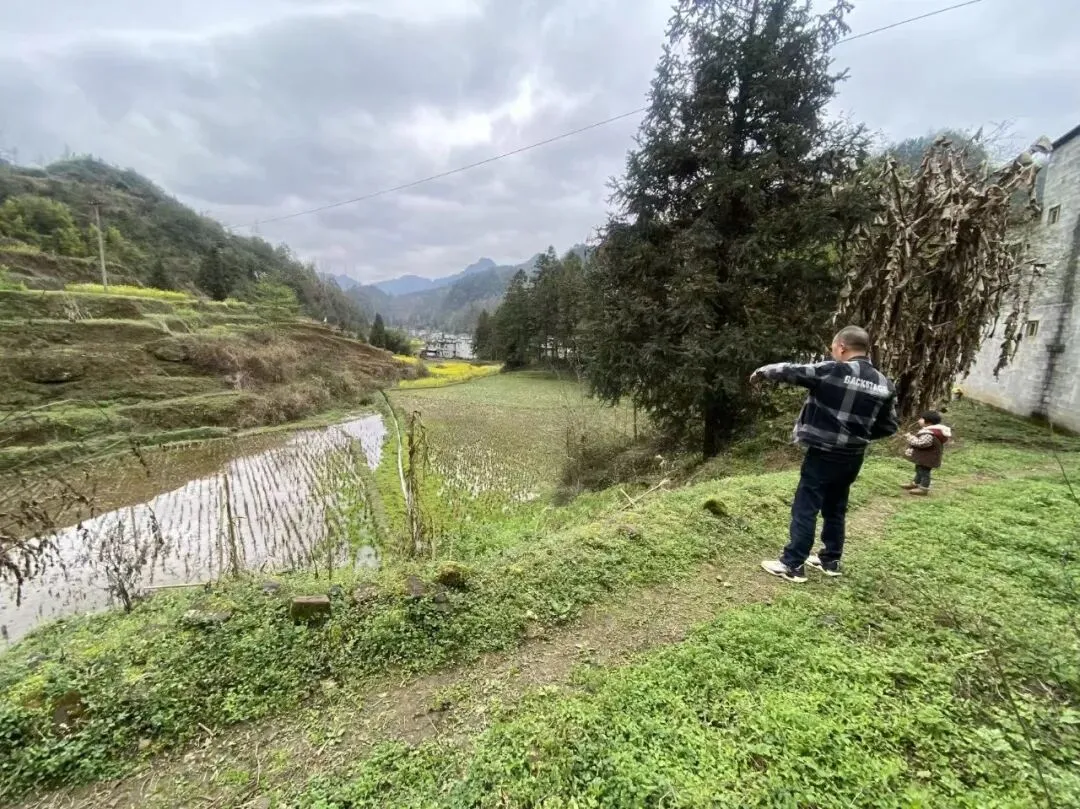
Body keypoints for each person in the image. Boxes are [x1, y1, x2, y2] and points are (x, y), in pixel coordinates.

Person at [750, 325, 898, 583]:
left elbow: (792, 370)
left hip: (823, 453)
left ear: (842, 347)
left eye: (833, 348)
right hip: (853, 457)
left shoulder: (832, 370)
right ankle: (831, 559)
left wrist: (762, 372)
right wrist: (858, 435)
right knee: (836, 506)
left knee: (805, 506)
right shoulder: (884, 383)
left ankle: (793, 564)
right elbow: (889, 426)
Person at [901, 410, 951, 496]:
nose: (919, 420)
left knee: (924, 472)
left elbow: (921, 443)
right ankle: (915, 483)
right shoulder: (930, 431)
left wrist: (910, 438)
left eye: (921, 418)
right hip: (925, 457)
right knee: (919, 470)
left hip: (928, 458)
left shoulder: (929, 433)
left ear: (929, 421)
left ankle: (923, 488)